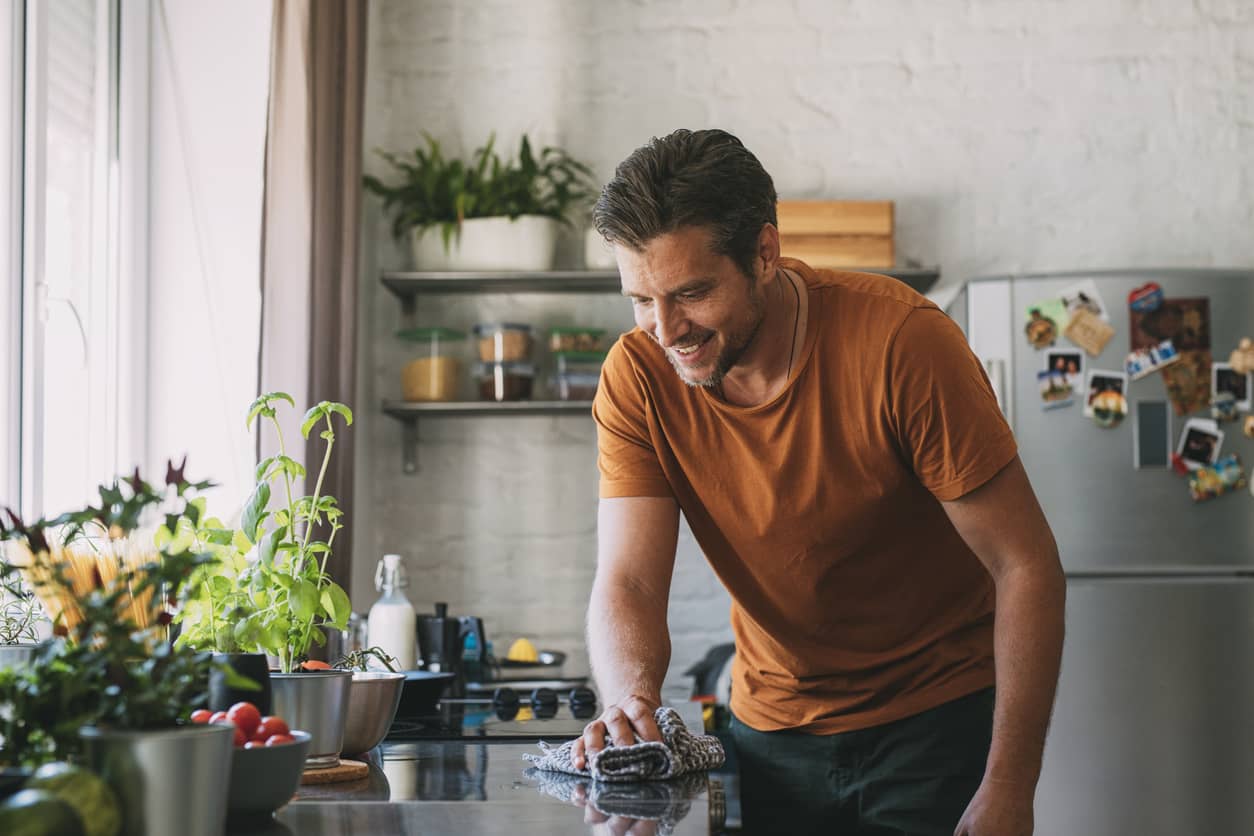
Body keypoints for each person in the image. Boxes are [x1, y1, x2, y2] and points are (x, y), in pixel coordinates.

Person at [575, 128, 1065, 836]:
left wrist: (1011, 787)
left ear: (764, 254)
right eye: (640, 299)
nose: (666, 328)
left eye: (691, 293)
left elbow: (1026, 565)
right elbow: (630, 582)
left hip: (934, 726)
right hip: (769, 735)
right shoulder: (638, 377)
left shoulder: (902, 344)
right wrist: (631, 705)